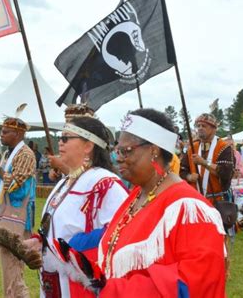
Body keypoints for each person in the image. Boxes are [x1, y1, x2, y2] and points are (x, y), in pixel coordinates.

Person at [90, 109, 225, 297]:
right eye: (116, 150)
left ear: (154, 151)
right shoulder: (137, 195)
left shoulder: (191, 210)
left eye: (125, 151)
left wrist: (115, 291)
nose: (118, 157)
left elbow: (194, 284)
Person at [25, 116, 128, 298]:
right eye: (60, 137)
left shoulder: (105, 184)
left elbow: (121, 232)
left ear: (88, 146)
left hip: (82, 285)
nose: (60, 142)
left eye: (66, 138)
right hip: (54, 280)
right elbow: (59, 225)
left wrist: (71, 247)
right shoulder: (66, 181)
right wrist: (40, 241)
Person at [0, 116, 36, 298]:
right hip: (7, 214)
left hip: (18, 217)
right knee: (8, 264)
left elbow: (17, 187)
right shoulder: (9, 154)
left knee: (13, 266)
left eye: (4, 132)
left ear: (17, 134)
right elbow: (3, 187)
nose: (1, 135)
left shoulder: (25, 155)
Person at [180, 113, 235, 203]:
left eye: (204, 126)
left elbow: (226, 173)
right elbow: (182, 170)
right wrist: (189, 177)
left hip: (218, 200)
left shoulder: (224, 147)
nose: (200, 128)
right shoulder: (193, 148)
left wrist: (204, 163)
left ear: (214, 129)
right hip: (196, 199)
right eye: (198, 126)